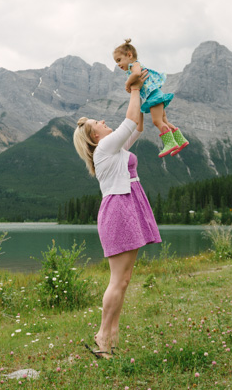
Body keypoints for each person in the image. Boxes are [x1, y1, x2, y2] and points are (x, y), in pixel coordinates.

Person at [73, 72, 162, 359]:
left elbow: (136, 126)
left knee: (123, 281)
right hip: (118, 211)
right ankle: (103, 335)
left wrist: (144, 94)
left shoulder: (116, 147)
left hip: (128, 208)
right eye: (99, 123)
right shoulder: (104, 147)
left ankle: (110, 338)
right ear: (95, 136)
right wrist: (133, 88)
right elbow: (127, 122)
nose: (103, 121)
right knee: (117, 280)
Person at [113, 39, 189, 157]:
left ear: (129, 55)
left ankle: (169, 143)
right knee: (164, 121)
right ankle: (181, 140)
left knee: (157, 121)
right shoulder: (134, 66)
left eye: (119, 60)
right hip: (156, 95)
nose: (118, 64)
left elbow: (137, 74)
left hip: (153, 97)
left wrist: (127, 84)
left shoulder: (134, 65)